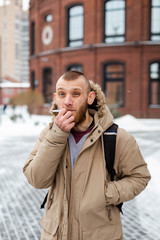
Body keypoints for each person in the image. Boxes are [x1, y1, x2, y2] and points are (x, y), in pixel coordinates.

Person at [23, 71, 151, 240]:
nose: (67, 102)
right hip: (55, 234)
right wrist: (57, 136)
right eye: (62, 94)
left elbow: (139, 177)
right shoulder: (49, 133)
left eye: (76, 94)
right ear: (55, 97)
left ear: (90, 97)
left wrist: (104, 193)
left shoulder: (116, 137)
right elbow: (37, 179)